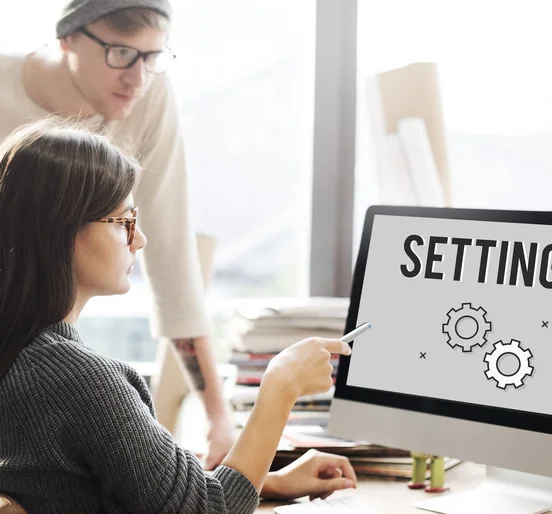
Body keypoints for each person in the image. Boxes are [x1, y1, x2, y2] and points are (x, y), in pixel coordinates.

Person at [0, 118, 357, 513]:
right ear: (61, 231)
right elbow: (208, 510)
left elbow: (97, 488)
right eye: (124, 222)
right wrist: (281, 387)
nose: (140, 240)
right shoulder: (78, 380)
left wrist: (266, 482)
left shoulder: (22, 356)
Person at [0, 0, 236, 468]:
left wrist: (218, 418)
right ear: (68, 37)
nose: (138, 78)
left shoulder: (149, 95)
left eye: (154, 57)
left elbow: (170, 257)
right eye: (121, 53)